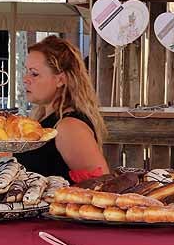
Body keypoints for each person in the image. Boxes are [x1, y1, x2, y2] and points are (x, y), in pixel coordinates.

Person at [15, 36, 109, 181]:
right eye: (26, 71)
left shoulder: (69, 126)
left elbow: (100, 185)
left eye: (34, 73)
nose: (25, 79)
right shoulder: (43, 117)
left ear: (60, 79)